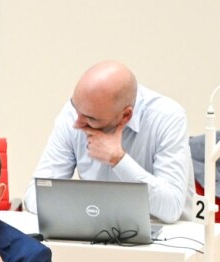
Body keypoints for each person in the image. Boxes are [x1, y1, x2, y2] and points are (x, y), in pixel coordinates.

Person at [22, 60, 192, 222]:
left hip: (164, 233)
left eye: (91, 119)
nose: (77, 123)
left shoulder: (167, 117)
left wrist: (119, 160)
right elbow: (35, 196)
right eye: (76, 108)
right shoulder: (75, 113)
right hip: (95, 230)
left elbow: (171, 208)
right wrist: (80, 211)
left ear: (125, 115)